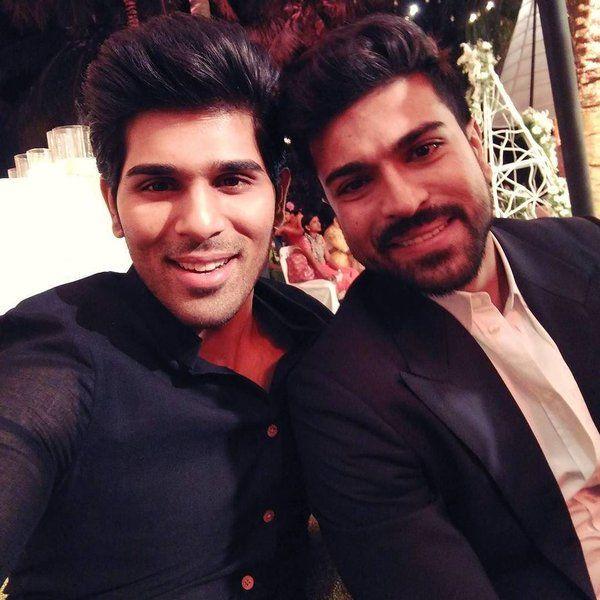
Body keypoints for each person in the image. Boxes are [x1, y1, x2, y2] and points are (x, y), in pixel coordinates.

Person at [0, 14, 331, 599]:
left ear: (279, 197)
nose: (200, 223)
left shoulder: (314, 336)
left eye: (232, 180)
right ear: (113, 204)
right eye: (158, 185)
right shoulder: (61, 349)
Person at [281, 13, 600, 600]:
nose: (405, 201)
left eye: (424, 149)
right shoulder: (342, 395)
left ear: (475, 144)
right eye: (355, 183)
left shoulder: (585, 251)